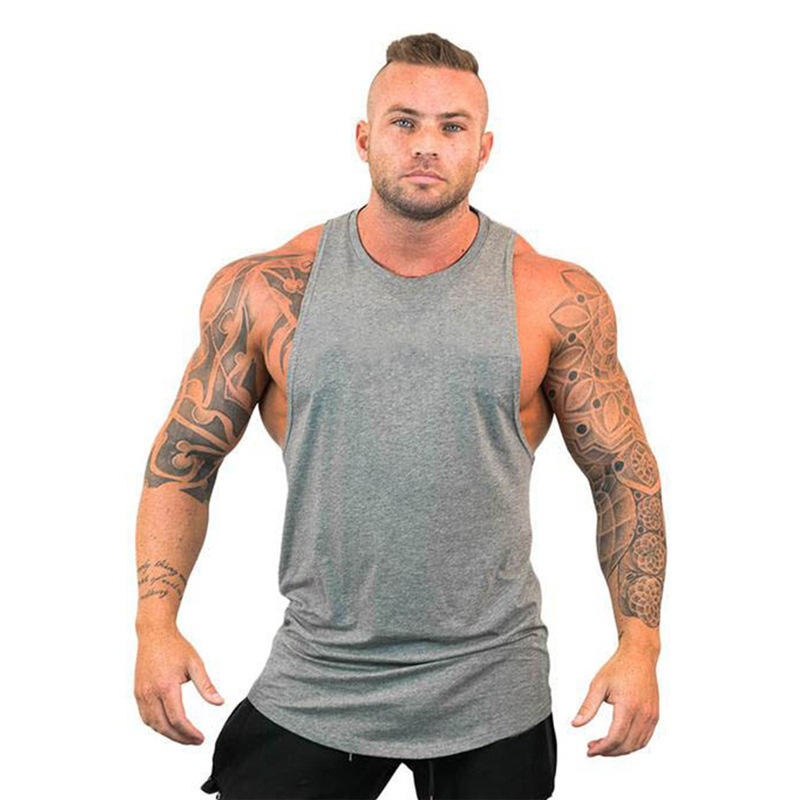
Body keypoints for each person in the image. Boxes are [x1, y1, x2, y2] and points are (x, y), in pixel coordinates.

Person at [134, 32, 665, 800]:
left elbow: (623, 476)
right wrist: (155, 625)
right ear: (364, 138)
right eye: (404, 122)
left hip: (493, 685)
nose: (426, 144)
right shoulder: (267, 289)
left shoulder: (552, 297)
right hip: (320, 678)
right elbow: (185, 458)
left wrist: (639, 645)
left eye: (452, 126)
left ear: (483, 149)